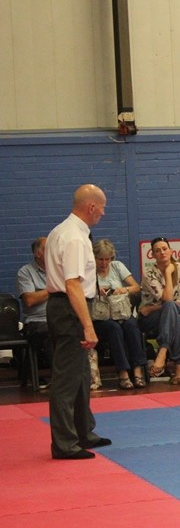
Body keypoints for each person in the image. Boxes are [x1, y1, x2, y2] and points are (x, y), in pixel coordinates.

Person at [45, 184, 111, 460]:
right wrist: (88, 325)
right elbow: (72, 284)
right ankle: (64, 443)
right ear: (91, 206)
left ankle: (84, 432)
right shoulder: (74, 237)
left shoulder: (62, 231)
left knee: (81, 375)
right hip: (69, 308)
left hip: (67, 305)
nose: (103, 213)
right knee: (67, 379)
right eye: (102, 208)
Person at [92, 239, 145, 390]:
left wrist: (123, 290)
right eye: (100, 259)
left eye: (107, 259)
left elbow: (136, 287)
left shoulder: (117, 266)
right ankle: (123, 372)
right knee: (113, 328)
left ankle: (137, 370)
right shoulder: (89, 271)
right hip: (101, 317)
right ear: (94, 258)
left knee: (132, 325)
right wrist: (95, 290)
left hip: (120, 312)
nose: (104, 263)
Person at [138, 237, 180, 385]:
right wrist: (167, 274)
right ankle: (179, 366)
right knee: (175, 317)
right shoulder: (149, 274)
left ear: (171, 251)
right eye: (157, 251)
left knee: (172, 309)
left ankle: (163, 350)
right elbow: (168, 299)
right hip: (152, 319)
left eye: (164, 249)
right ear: (153, 255)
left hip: (178, 311)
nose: (162, 252)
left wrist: (151, 308)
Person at [16, 236, 52, 385]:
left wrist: (42, 293)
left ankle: (83, 376)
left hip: (59, 316)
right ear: (38, 253)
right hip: (36, 321)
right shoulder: (25, 272)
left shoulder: (60, 270)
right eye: (49, 249)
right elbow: (29, 300)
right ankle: (61, 378)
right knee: (51, 332)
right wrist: (53, 288)